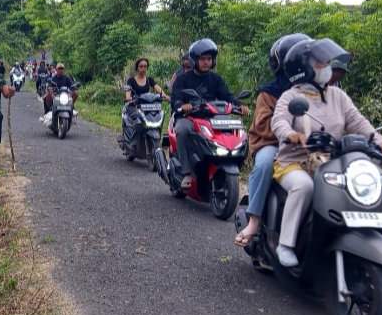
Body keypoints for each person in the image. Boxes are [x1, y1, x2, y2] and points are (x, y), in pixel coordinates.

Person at [270, 38, 382, 266]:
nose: (327, 67)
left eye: (326, 62)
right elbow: (279, 121)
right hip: (294, 162)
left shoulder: (338, 95)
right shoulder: (291, 96)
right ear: (304, 68)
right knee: (304, 187)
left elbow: (358, 122)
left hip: (331, 162)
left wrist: (378, 140)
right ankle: (286, 245)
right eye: (321, 63)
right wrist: (291, 134)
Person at [234, 33, 310, 247]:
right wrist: (290, 134)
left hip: (305, 146)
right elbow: (262, 125)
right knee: (265, 164)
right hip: (270, 143)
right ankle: (254, 220)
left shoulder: (316, 92)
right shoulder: (269, 92)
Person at [169, 39, 249, 189]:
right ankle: (186, 172)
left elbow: (227, 95)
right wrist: (182, 106)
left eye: (209, 59)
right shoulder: (183, 79)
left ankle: (225, 161)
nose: (206, 62)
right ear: (194, 60)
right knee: (183, 130)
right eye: (202, 59)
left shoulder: (216, 78)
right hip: (189, 117)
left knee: (232, 131)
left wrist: (239, 105)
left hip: (212, 117)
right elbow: (176, 98)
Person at [122, 57, 168, 149]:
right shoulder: (131, 80)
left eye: (145, 66)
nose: (143, 68)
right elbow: (128, 95)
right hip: (134, 106)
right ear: (137, 68)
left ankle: (158, 136)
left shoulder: (149, 80)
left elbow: (158, 88)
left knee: (158, 116)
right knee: (137, 119)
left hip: (147, 107)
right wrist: (129, 98)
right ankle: (133, 142)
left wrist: (165, 96)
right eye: (141, 66)